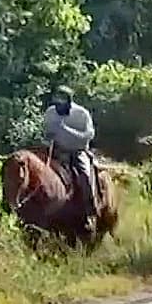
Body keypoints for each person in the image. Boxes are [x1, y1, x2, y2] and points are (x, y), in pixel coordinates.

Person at [43, 85, 99, 234]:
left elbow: (88, 136)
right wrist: (49, 135)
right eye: (56, 104)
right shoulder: (50, 113)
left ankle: (89, 212)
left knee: (85, 176)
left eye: (62, 105)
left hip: (78, 151)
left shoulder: (81, 114)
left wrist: (66, 129)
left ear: (69, 102)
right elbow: (46, 131)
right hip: (57, 151)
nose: (58, 108)